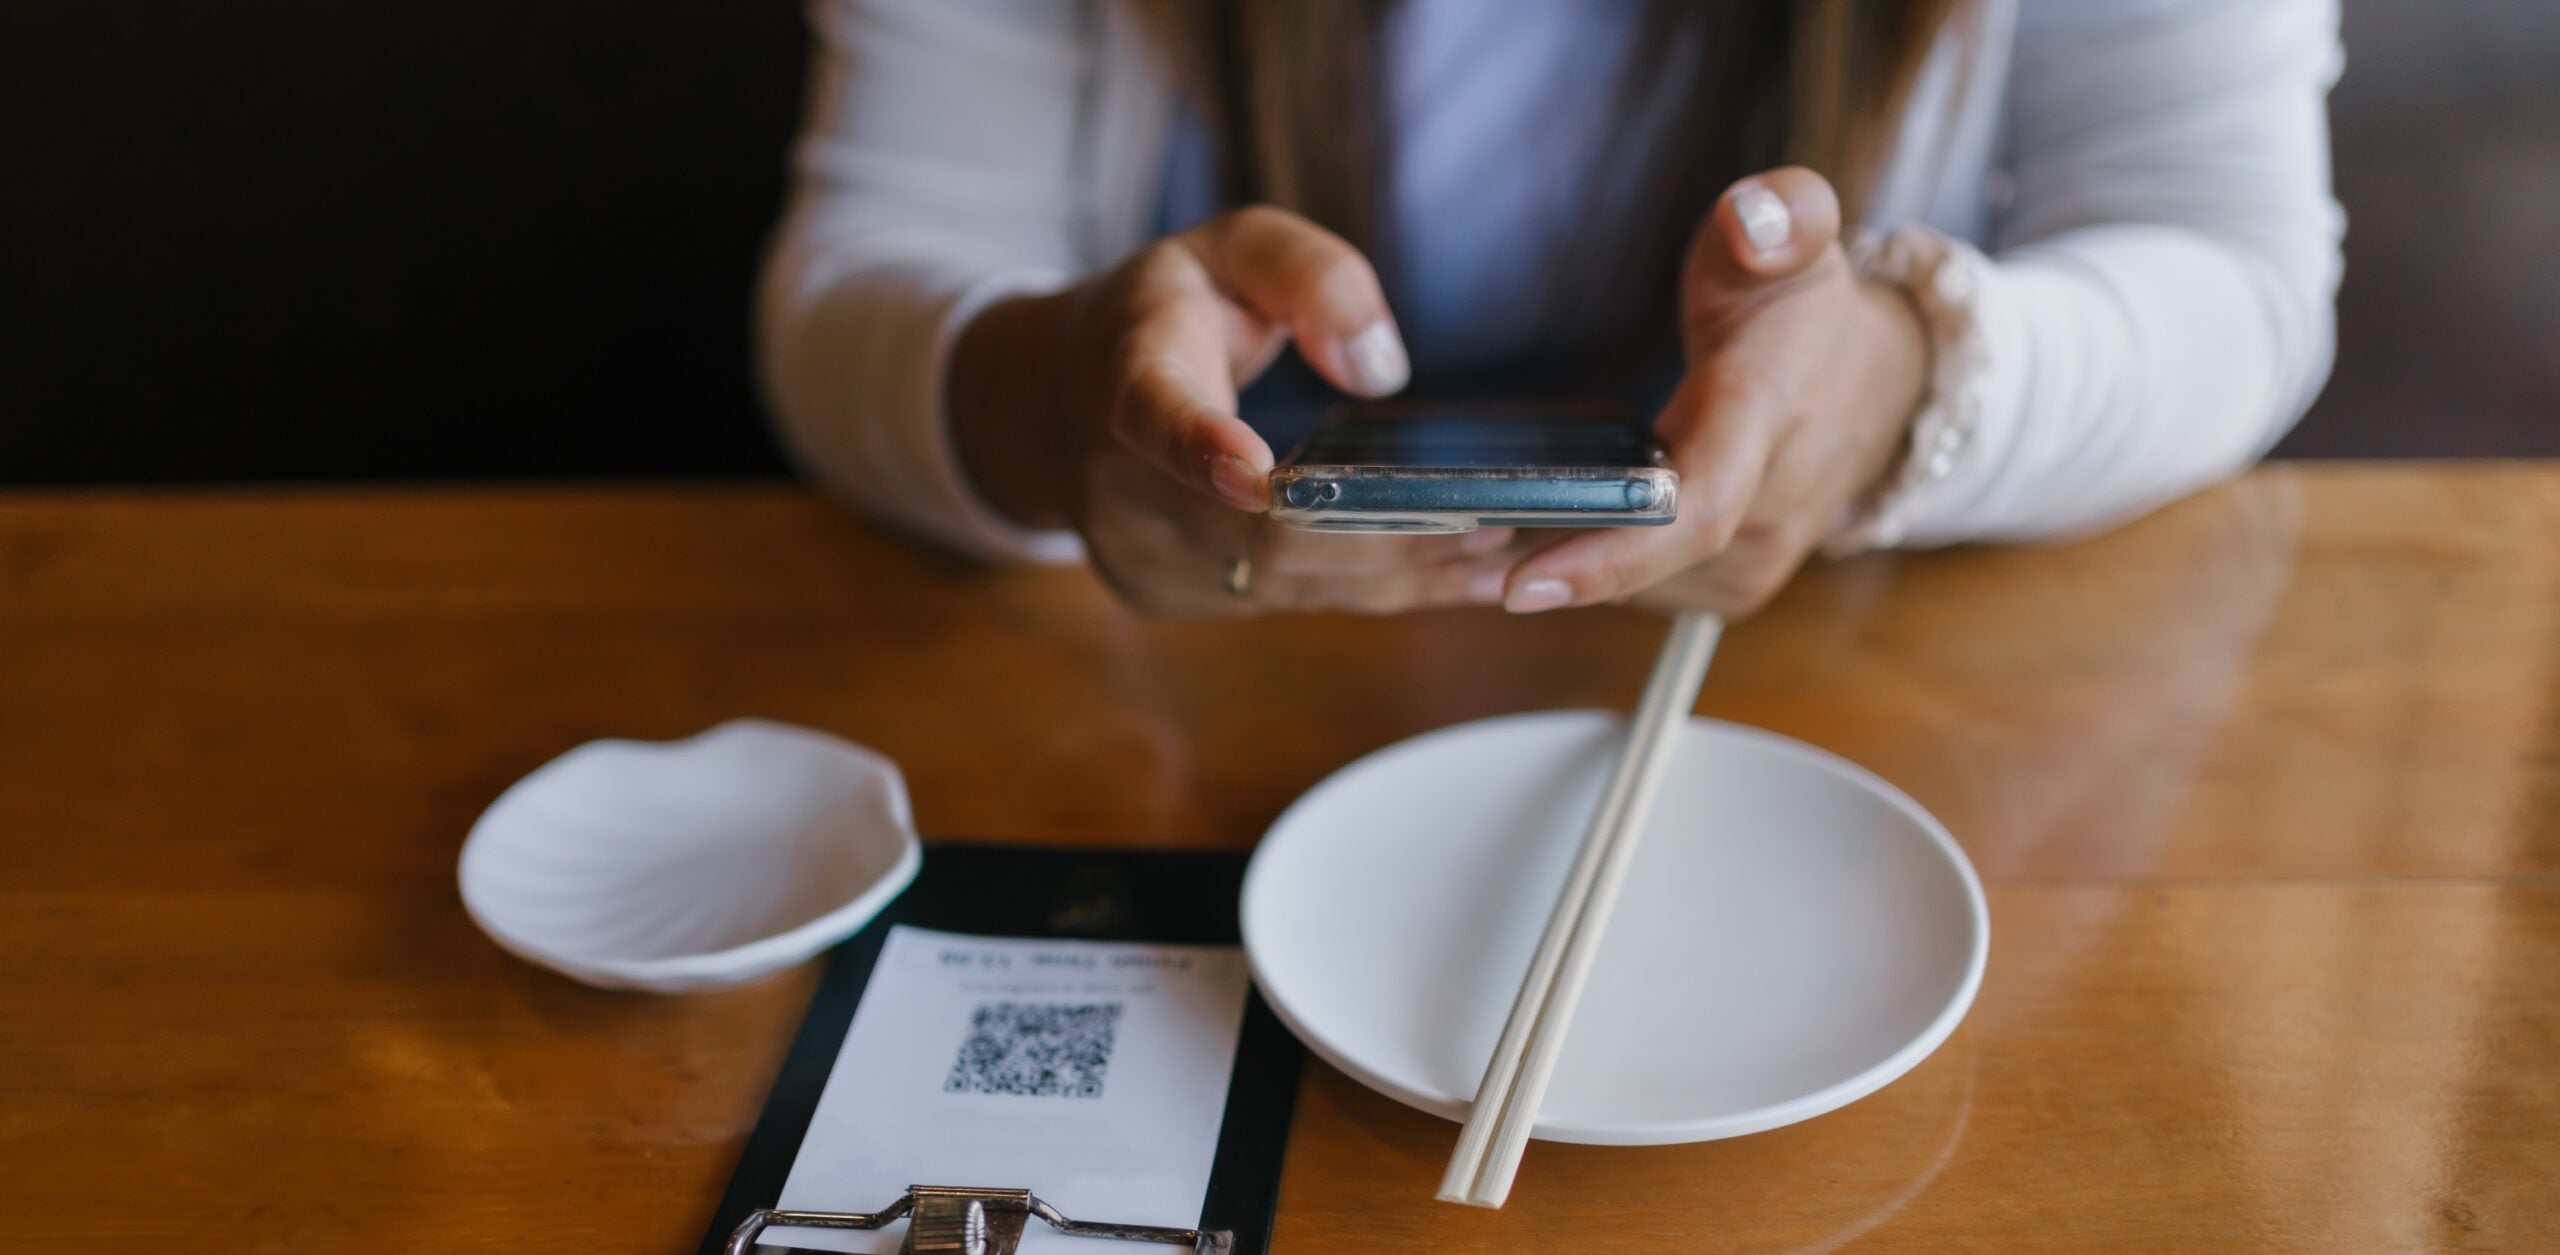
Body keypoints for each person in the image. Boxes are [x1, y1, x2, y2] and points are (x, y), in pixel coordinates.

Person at [759, 0, 2341, 618]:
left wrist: (1905, 379)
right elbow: (853, 289)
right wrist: (1070, 418)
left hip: (1839, 710)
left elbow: (2233, 264)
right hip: (1188, 720)